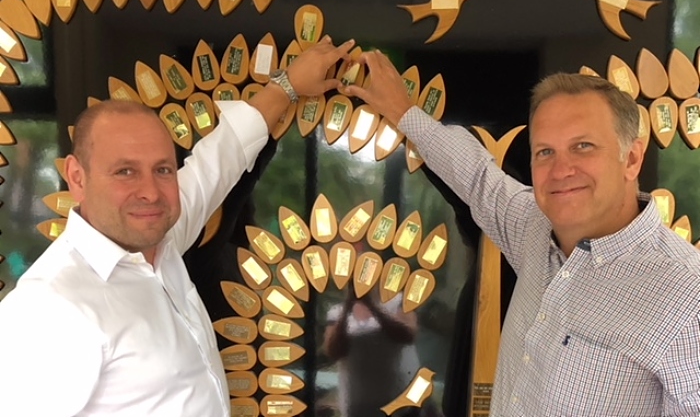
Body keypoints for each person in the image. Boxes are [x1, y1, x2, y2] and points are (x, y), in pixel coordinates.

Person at [0, 36, 354, 417]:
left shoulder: (159, 242)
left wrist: (286, 86)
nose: (151, 192)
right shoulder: (50, 306)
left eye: (163, 170)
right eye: (125, 172)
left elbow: (219, 160)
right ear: (77, 176)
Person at [343, 51, 700, 416]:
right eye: (545, 151)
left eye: (583, 146)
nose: (561, 170)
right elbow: (478, 177)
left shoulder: (688, 298)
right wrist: (404, 112)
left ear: (632, 159)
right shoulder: (534, 227)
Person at [323, 289, 421, 417]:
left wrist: (373, 307)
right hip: (358, 405)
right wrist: (348, 307)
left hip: (400, 402)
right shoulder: (337, 313)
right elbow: (332, 351)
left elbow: (407, 335)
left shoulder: (398, 302)